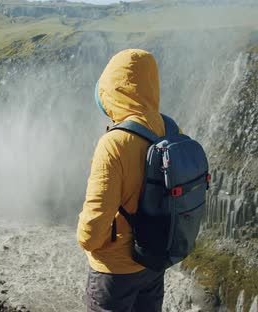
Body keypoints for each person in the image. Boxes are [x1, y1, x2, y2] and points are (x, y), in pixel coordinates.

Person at [77, 49, 168, 312]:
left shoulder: (114, 144)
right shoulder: (168, 129)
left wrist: (84, 238)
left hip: (115, 272)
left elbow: (93, 227)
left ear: (114, 91)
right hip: (153, 261)